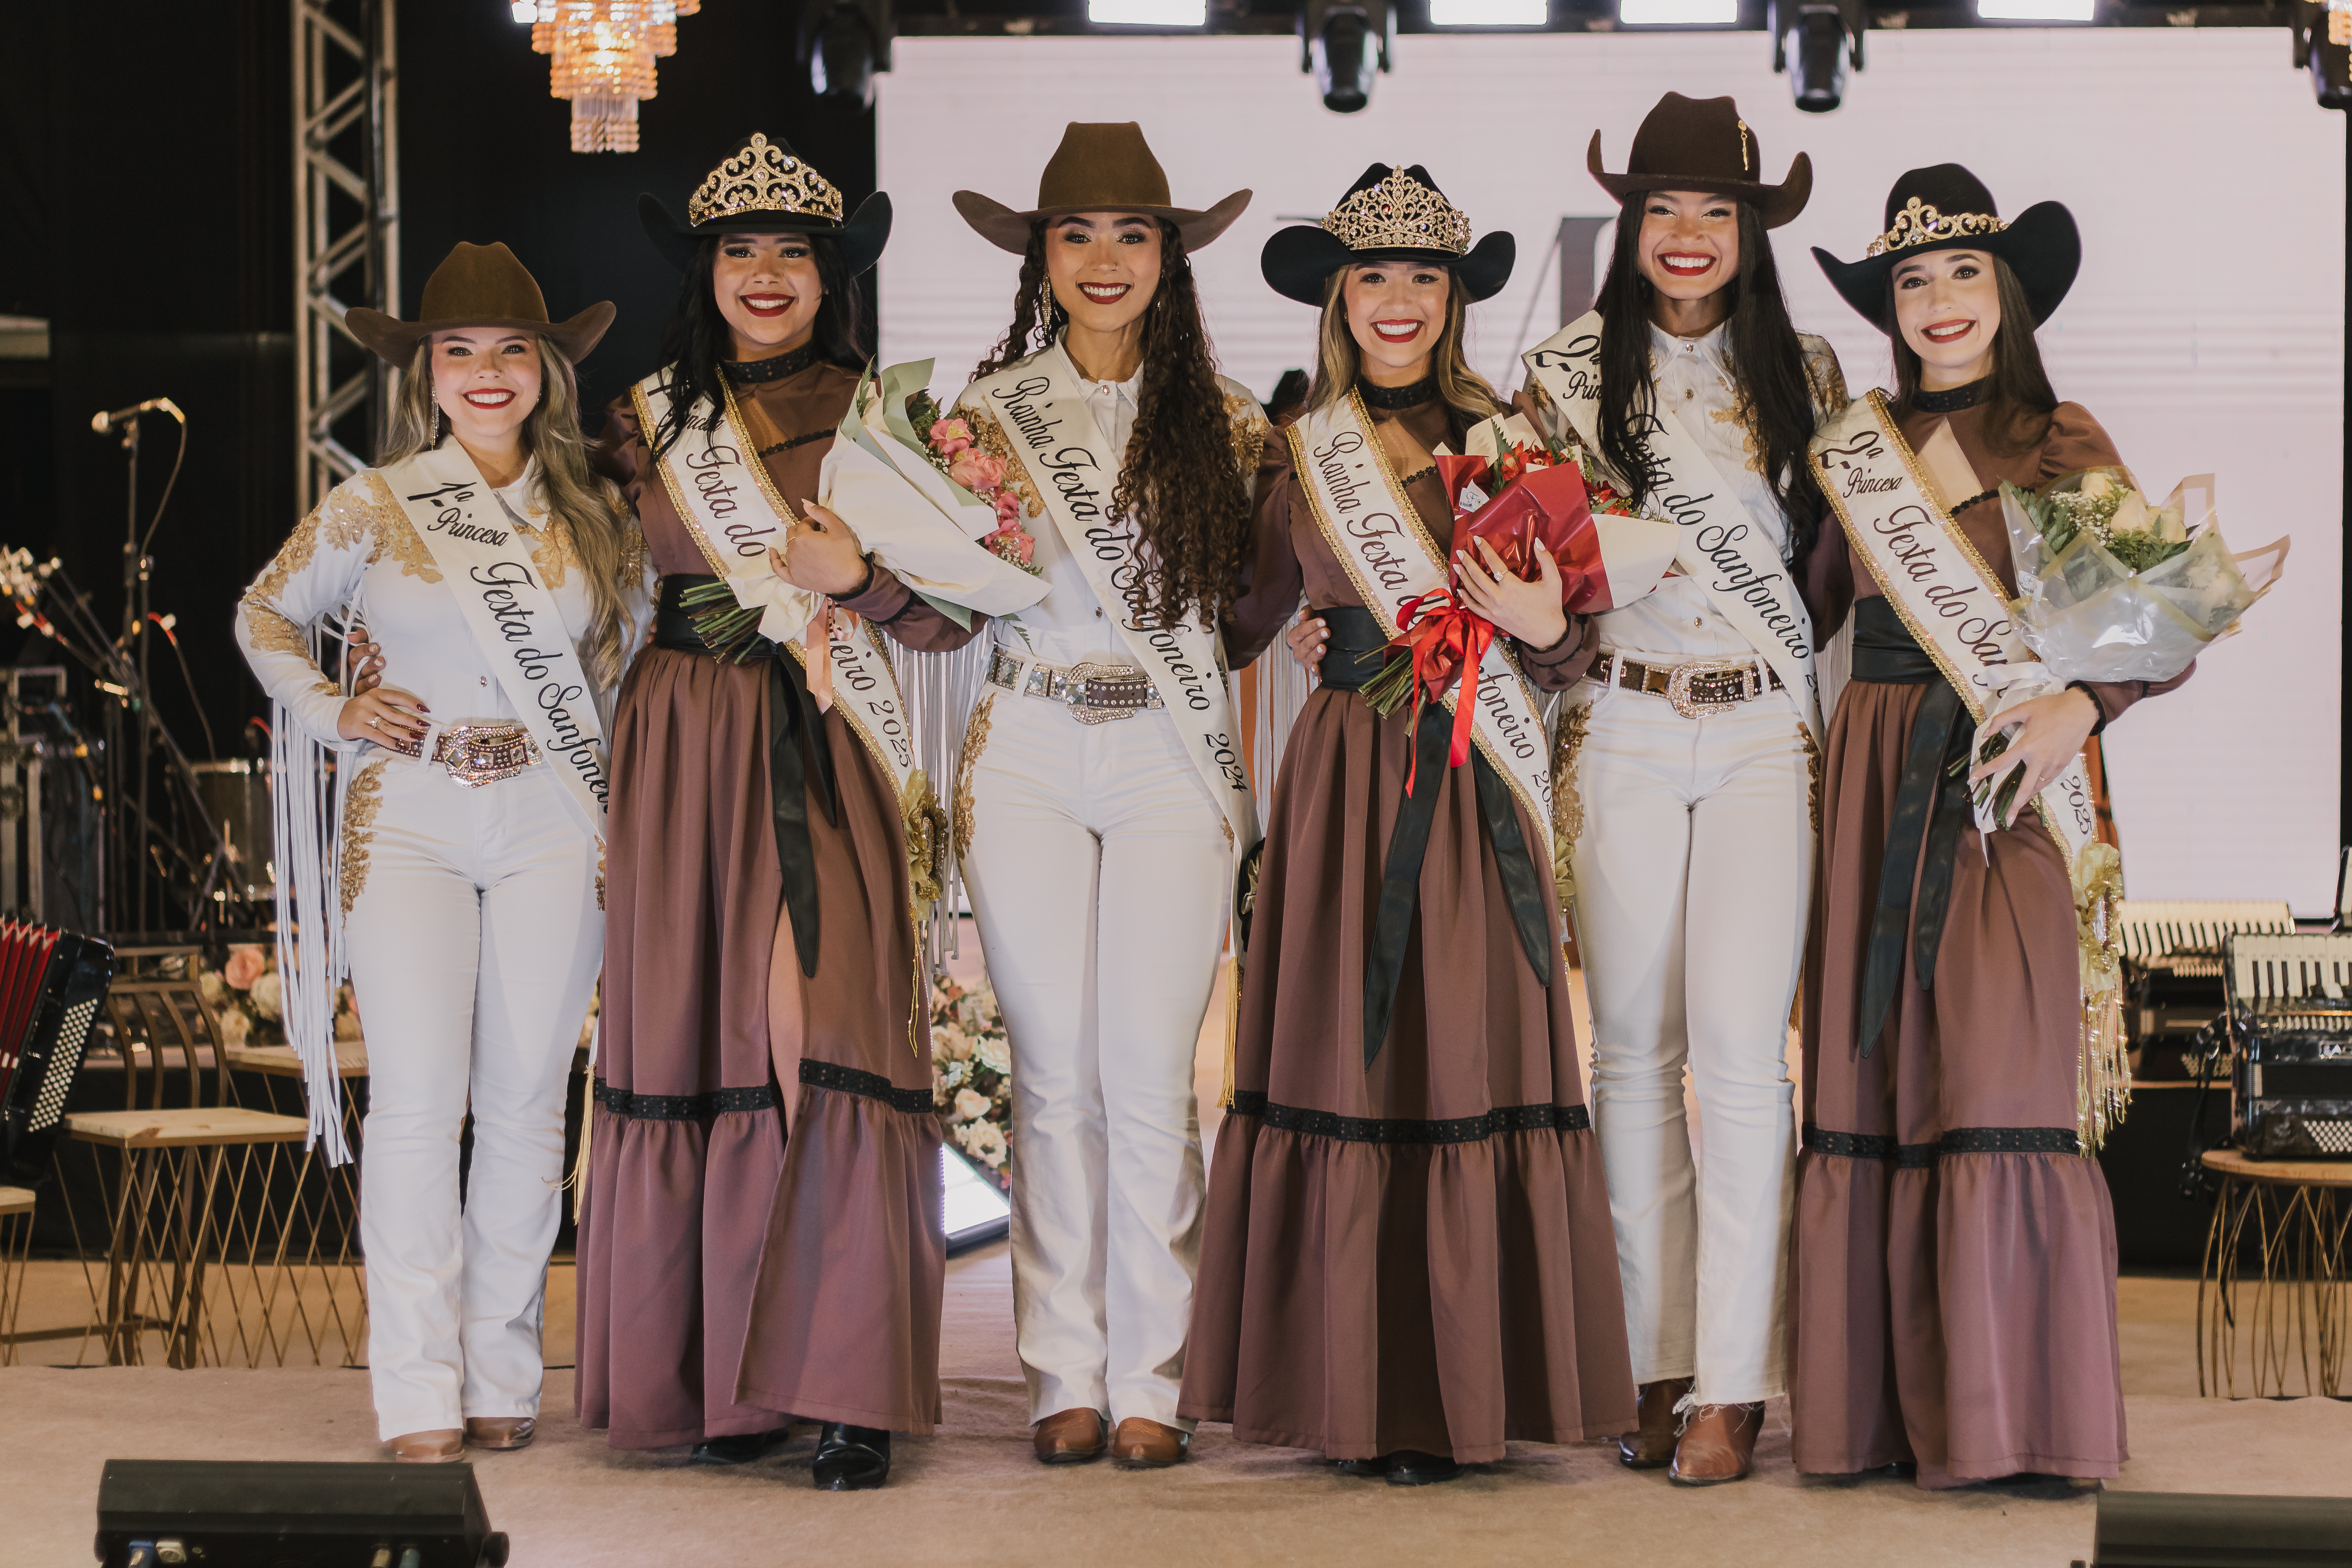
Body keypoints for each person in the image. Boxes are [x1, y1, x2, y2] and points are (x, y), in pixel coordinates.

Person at [1179, 164, 1635, 1485]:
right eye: (1372, 275)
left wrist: (1552, 630)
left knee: (1470, 1049)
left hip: (1472, 768)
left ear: (1454, 300)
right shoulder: (1296, 449)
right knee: (1348, 1055)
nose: (1396, 301)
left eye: (1422, 278)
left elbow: (1565, 644)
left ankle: (1460, 1391)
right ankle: (1353, 1386)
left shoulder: (1514, 441)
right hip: (1342, 778)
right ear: (1340, 294)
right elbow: (1243, 618)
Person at [574, 133, 973, 1492]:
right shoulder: (640, 420)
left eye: (791, 252)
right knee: (692, 1040)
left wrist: (858, 581)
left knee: (831, 1036)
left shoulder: (883, 417)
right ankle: (709, 1382)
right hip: (684, 739)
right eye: (738, 250)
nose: (764, 274)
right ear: (707, 270)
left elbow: (946, 617)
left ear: (830, 274)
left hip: (821, 737)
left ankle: (849, 1385)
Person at [1793, 165, 2187, 1490]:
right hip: (1872, 776)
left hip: (2006, 777)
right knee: (1881, 1078)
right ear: (1888, 309)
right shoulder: (1853, 450)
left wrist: (2090, 700)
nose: (1940, 301)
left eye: (1965, 273)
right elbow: (1801, 608)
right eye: (1913, 281)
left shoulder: (2054, 433)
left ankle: (2018, 1421)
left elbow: (2161, 618)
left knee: (2003, 1083)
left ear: (2007, 295)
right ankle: (1877, 1422)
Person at [236, 241, 643, 1462]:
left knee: (524, 1105)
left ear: (546, 372)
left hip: (549, 816)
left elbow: (613, 682)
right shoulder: (377, 501)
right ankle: (415, 1390)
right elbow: (264, 612)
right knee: (418, 1103)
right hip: (405, 814)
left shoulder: (596, 513)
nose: (485, 372)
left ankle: (500, 1376)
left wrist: (618, 819)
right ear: (424, 373)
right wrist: (332, 708)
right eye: (457, 352)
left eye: (511, 351)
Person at [1516, 92, 1848, 1485]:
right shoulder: (1562, 371)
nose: (1691, 234)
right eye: (1665, 209)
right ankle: (1654, 1361)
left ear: (1754, 229)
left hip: (1764, 727)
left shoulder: (1816, 372)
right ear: (1632, 227)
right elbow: (1547, 576)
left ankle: (1733, 1384)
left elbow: (1830, 580)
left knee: (1739, 1058)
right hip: (1628, 725)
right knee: (1632, 1055)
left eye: (1719, 209)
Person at [946, 121, 1269, 1469]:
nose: (1103, 260)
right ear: (1039, 255)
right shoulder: (978, 417)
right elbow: (944, 596)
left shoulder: (1235, 424)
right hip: (1026, 741)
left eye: (1133, 235)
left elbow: (1252, 609)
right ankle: (1059, 1373)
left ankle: (1153, 1374)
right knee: (1052, 1073)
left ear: (1172, 260)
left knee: (1145, 1076)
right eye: (1075, 234)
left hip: (1165, 758)